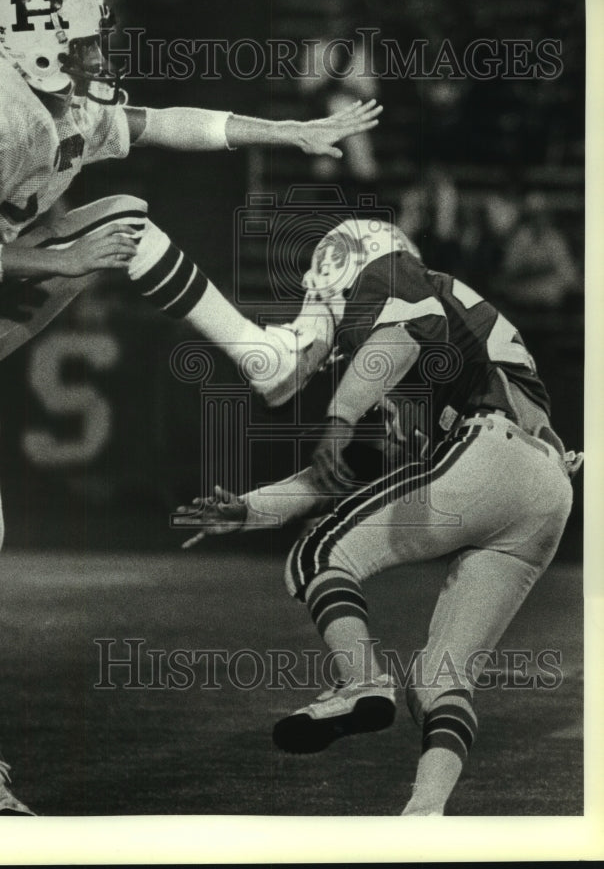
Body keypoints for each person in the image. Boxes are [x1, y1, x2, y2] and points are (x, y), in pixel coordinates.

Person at [0, 0, 381, 815]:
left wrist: (285, 132)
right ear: (41, 52)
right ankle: (262, 359)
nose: (104, 54)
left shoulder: (54, 101)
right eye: (88, 42)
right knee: (124, 219)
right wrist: (54, 259)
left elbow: (166, 121)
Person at [175, 216, 582, 816]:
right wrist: (251, 511)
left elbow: (411, 325)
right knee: (440, 678)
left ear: (345, 259)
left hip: (489, 449)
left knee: (321, 553)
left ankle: (361, 680)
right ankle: (423, 817)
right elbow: (346, 474)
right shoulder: (434, 337)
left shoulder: (393, 276)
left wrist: (338, 418)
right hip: (546, 493)